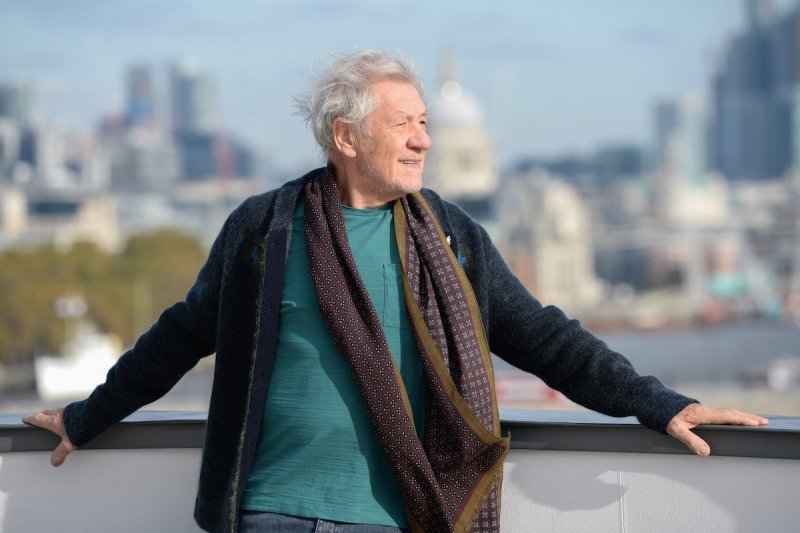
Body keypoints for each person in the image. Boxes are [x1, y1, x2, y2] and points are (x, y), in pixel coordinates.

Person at [24, 50, 768, 533]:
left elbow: (542, 335)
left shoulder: (448, 235)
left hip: (398, 517)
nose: (424, 140)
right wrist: (88, 416)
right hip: (270, 513)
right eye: (405, 124)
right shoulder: (264, 229)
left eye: (425, 123)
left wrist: (661, 402)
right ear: (347, 138)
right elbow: (179, 337)